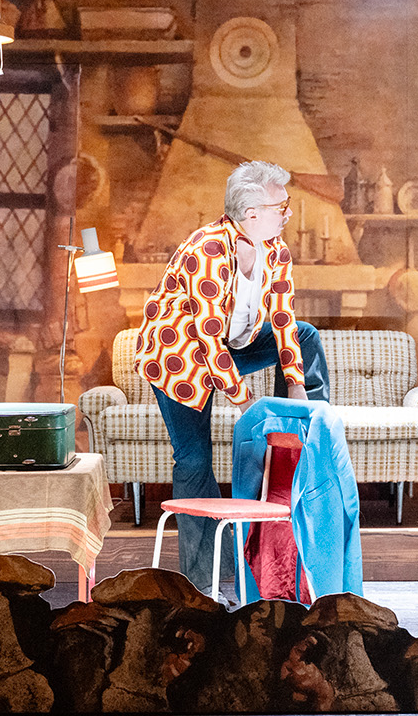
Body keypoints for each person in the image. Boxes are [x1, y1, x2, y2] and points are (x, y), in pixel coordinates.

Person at [134, 160, 329, 599]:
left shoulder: (275, 249)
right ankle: (201, 583)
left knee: (305, 335)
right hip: (180, 357)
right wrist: (247, 405)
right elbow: (206, 340)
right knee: (193, 461)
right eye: (282, 206)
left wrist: (295, 388)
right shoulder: (207, 249)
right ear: (251, 214)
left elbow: (283, 318)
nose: (288, 213)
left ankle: (307, 431)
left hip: (231, 344)